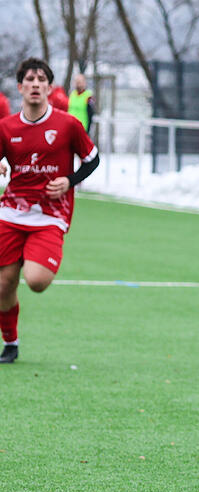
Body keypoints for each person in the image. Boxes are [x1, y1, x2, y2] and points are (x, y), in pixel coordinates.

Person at [0, 58, 99, 364]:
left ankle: (31, 257)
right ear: (20, 87)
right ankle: (11, 343)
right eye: (29, 79)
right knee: (3, 285)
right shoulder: (6, 127)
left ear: (49, 87)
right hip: (10, 214)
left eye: (41, 79)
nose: (35, 84)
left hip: (49, 216)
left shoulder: (67, 124)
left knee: (37, 281)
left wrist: (69, 180)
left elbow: (93, 159)